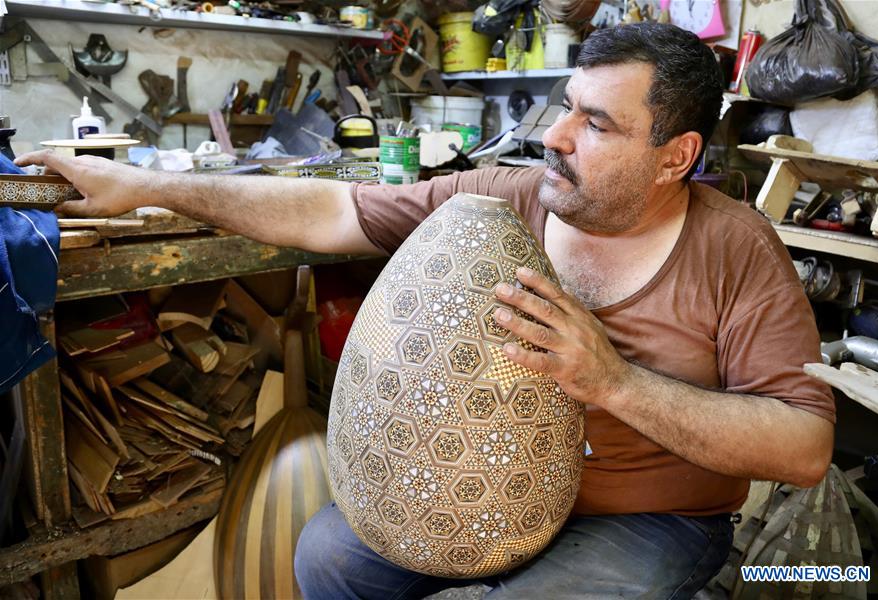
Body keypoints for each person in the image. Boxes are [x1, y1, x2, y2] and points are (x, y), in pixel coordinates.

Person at [17, 23, 834, 600]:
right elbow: (335, 211)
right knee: (330, 558)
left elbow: (801, 448)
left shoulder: (734, 248)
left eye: (597, 123)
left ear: (675, 157)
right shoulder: (504, 199)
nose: (554, 136)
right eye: (564, 105)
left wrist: (615, 382)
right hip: (476, 493)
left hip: (651, 522)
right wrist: (149, 187)